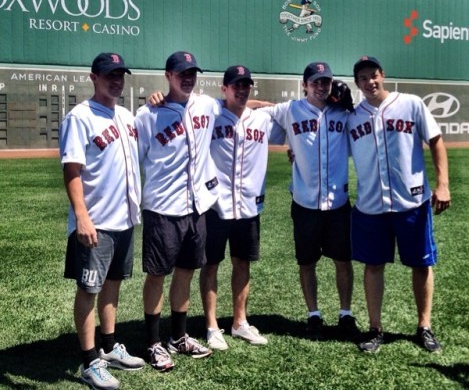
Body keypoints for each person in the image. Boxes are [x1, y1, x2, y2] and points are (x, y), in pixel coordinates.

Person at [348, 56, 451, 354]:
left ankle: (424, 327)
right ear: (357, 83)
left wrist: (442, 184)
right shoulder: (352, 116)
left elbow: (435, 139)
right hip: (371, 205)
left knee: (421, 263)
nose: (370, 82)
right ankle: (375, 328)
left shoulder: (411, 103)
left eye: (374, 75)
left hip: (413, 201)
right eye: (363, 78)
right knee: (373, 265)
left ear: (383, 75)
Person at [59, 52, 145, 390]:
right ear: (93, 77)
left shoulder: (125, 115)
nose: (116, 79)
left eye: (120, 74)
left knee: (113, 285)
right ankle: (89, 362)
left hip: (124, 220)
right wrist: (82, 216)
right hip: (96, 223)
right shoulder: (80, 117)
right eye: (109, 74)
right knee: (89, 290)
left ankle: (109, 347)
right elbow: (72, 170)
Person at [134, 51, 219, 370]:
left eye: (192, 72)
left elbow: (240, 107)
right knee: (157, 275)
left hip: (196, 207)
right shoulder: (148, 114)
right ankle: (153, 342)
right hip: (162, 209)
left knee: (186, 271)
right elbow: (133, 155)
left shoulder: (207, 105)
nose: (188, 77)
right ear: (168, 75)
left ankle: (178, 337)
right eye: (181, 72)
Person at [261, 62, 357, 340]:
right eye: (315, 81)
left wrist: (350, 107)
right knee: (307, 262)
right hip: (304, 204)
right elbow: (246, 110)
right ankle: (313, 314)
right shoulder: (290, 110)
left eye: (325, 81)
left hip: (337, 202)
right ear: (304, 85)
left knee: (343, 260)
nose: (321, 86)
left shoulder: (343, 113)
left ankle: (345, 314)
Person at [199, 65, 285, 351]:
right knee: (210, 265)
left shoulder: (263, 120)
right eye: (236, 85)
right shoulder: (210, 114)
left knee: (242, 263)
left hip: (248, 206)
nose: (242, 89)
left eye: (246, 84)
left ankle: (239, 323)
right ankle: (212, 326)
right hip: (215, 206)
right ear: (224, 89)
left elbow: (288, 116)